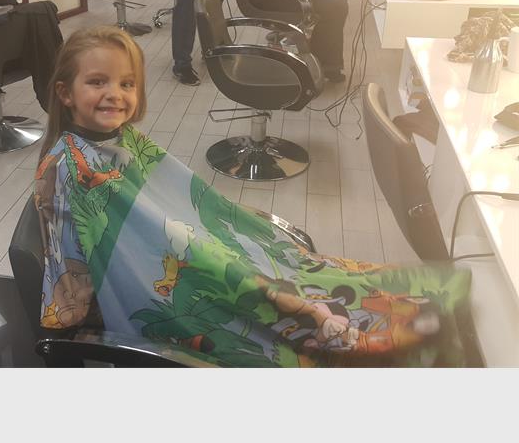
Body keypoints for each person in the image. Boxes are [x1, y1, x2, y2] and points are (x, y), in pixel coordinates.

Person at [34, 25, 472, 367]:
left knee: (312, 279)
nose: (115, 95)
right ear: (65, 92)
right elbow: (71, 283)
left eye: (127, 84)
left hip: (195, 252)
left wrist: (227, 233)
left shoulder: (121, 139)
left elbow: (178, 201)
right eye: (98, 82)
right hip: (169, 289)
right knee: (300, 319)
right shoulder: (67, 171)